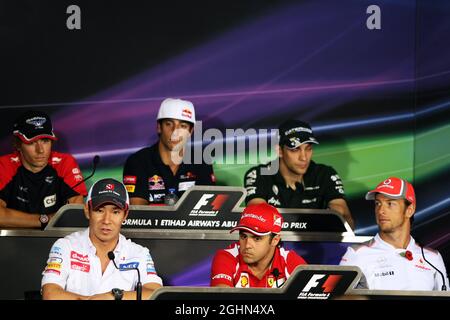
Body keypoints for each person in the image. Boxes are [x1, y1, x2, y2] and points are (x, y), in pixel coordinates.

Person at [41, 178, 163, 299]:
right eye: (99, 210)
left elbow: (155, 293)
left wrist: (113, 296)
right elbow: (50, 293)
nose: (106, 220)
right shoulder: (65, 246)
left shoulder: (139, 253)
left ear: (125, 215)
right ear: (87, 211)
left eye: (115, 212)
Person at [339, 177, 449, 290]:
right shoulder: (356, 254)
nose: (380, 210)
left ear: (409, 210)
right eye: (378, 203)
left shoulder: (432, 258)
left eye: (390, 203)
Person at [244, 119, 354, 229]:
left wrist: (335, 214)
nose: (304, 157)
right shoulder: (259, 175)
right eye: (295, 150)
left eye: (308, 149)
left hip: (316, 244)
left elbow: (344, 215)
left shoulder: (325, 174)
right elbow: (255, 217)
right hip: (273, 244)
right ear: (280, 151)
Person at [0, 110, 87, 229]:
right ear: (17, 144)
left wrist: (19, 220)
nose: (40, 150)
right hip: (11, 242)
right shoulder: (4, 165)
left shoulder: (64, 162)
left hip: (57, 241)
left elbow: (75, 214)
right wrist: (46, 219)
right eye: (31, 143)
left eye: (45, 141)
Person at [123, 98, 215, 205]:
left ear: (190, 131)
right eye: (169, 124)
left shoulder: (202, 162)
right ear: (159, 127)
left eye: (183, 126)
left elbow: (207, 210)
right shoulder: (138, 162)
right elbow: (137, 212)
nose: (175, 131)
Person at [210, 202, 307, 288]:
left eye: (257, 238)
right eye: (243, 236)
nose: (247, 245)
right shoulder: (227, 257)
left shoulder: (290, 261)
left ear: (275, 240)